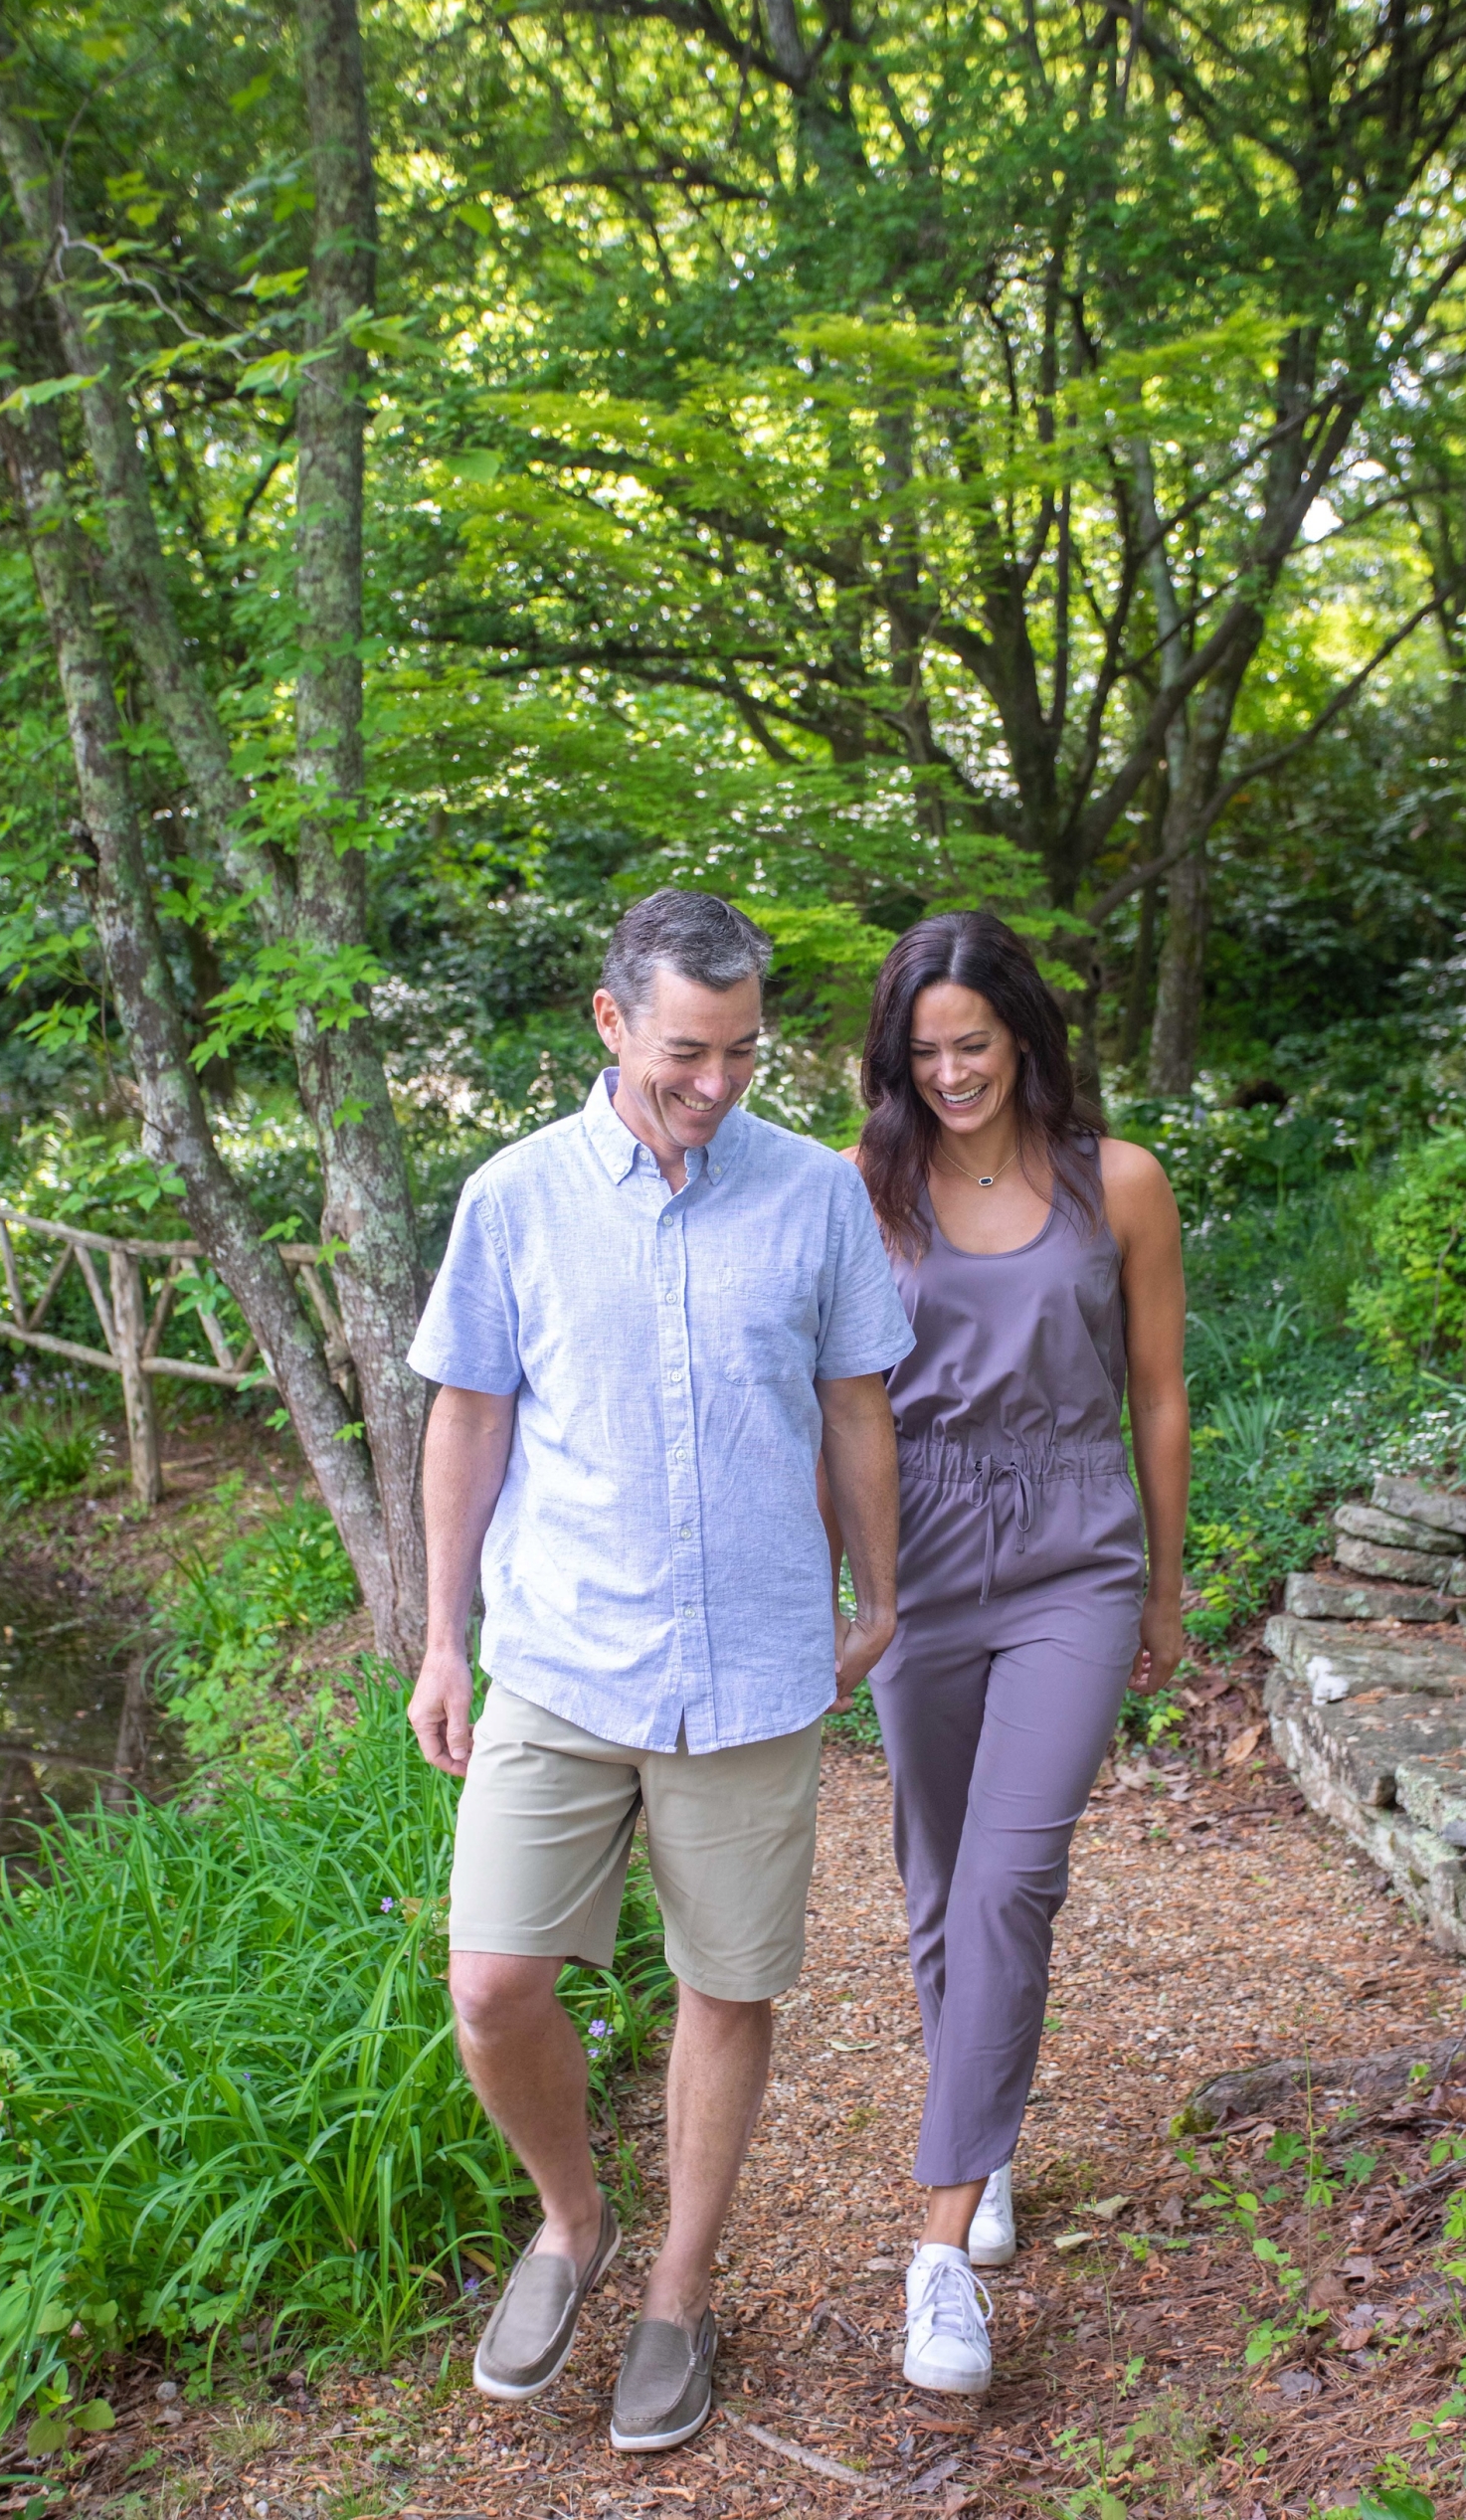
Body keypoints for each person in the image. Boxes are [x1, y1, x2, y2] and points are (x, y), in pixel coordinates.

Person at [405, 889, 914, 2453]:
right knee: (491, 1985)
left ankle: (680, 2289)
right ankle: (575, 2222)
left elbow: (852, 1406)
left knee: (726, 1983)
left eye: (746, 1051)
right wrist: (440, 1636)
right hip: (559, 1652)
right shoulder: (514, 1197)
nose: (719, 1082)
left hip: (755, 1658)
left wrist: (880, 1595)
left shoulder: (814, 1198)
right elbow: (469, 1417)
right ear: (614, 1024)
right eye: (690, 1050)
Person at [828, 910, 1190, 2397]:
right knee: (935, 1880)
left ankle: (935, 2255)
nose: (951, 1072)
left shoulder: (1120, 1183)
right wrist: (842, 1583)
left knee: (1011, 1871)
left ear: (1027, 1032)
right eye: (923, 1052)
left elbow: (1158, 1393)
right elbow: (830, 1388)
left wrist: (1168, 1585)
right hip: (920, 1553)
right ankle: (986, 2139)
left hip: (1072, 1552)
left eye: (972, 1042)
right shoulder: (866, 1179)